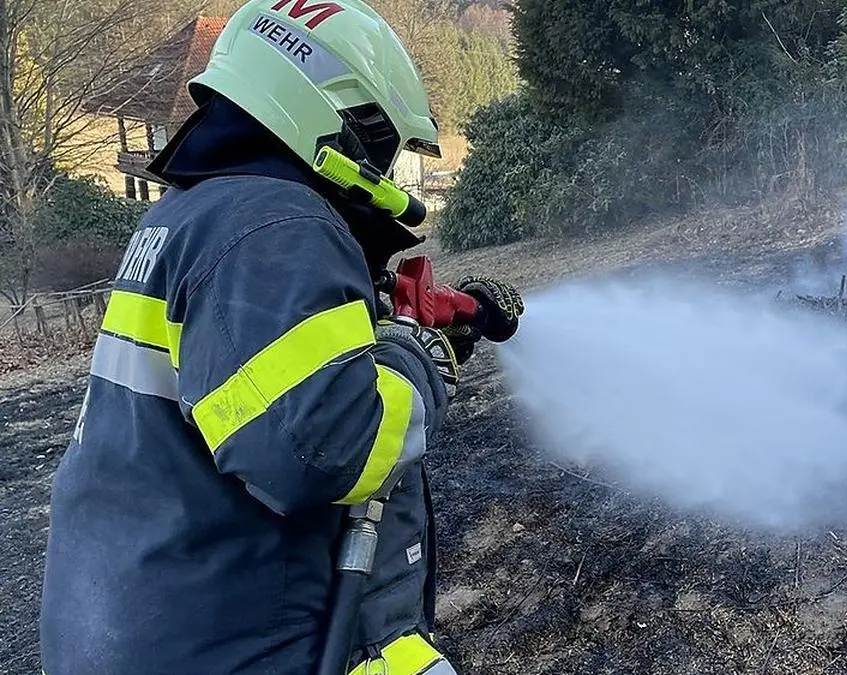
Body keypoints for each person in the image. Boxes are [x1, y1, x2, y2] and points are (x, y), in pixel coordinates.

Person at [39, 0, 522, 672]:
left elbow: (275, 370)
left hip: (148, 616)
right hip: (240, 639)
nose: (383, 174)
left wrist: (419, 323)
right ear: (339, 118)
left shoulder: (197, 213)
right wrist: (417, 355)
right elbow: (328, 449)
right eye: (381, 147)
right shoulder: (274, 227)